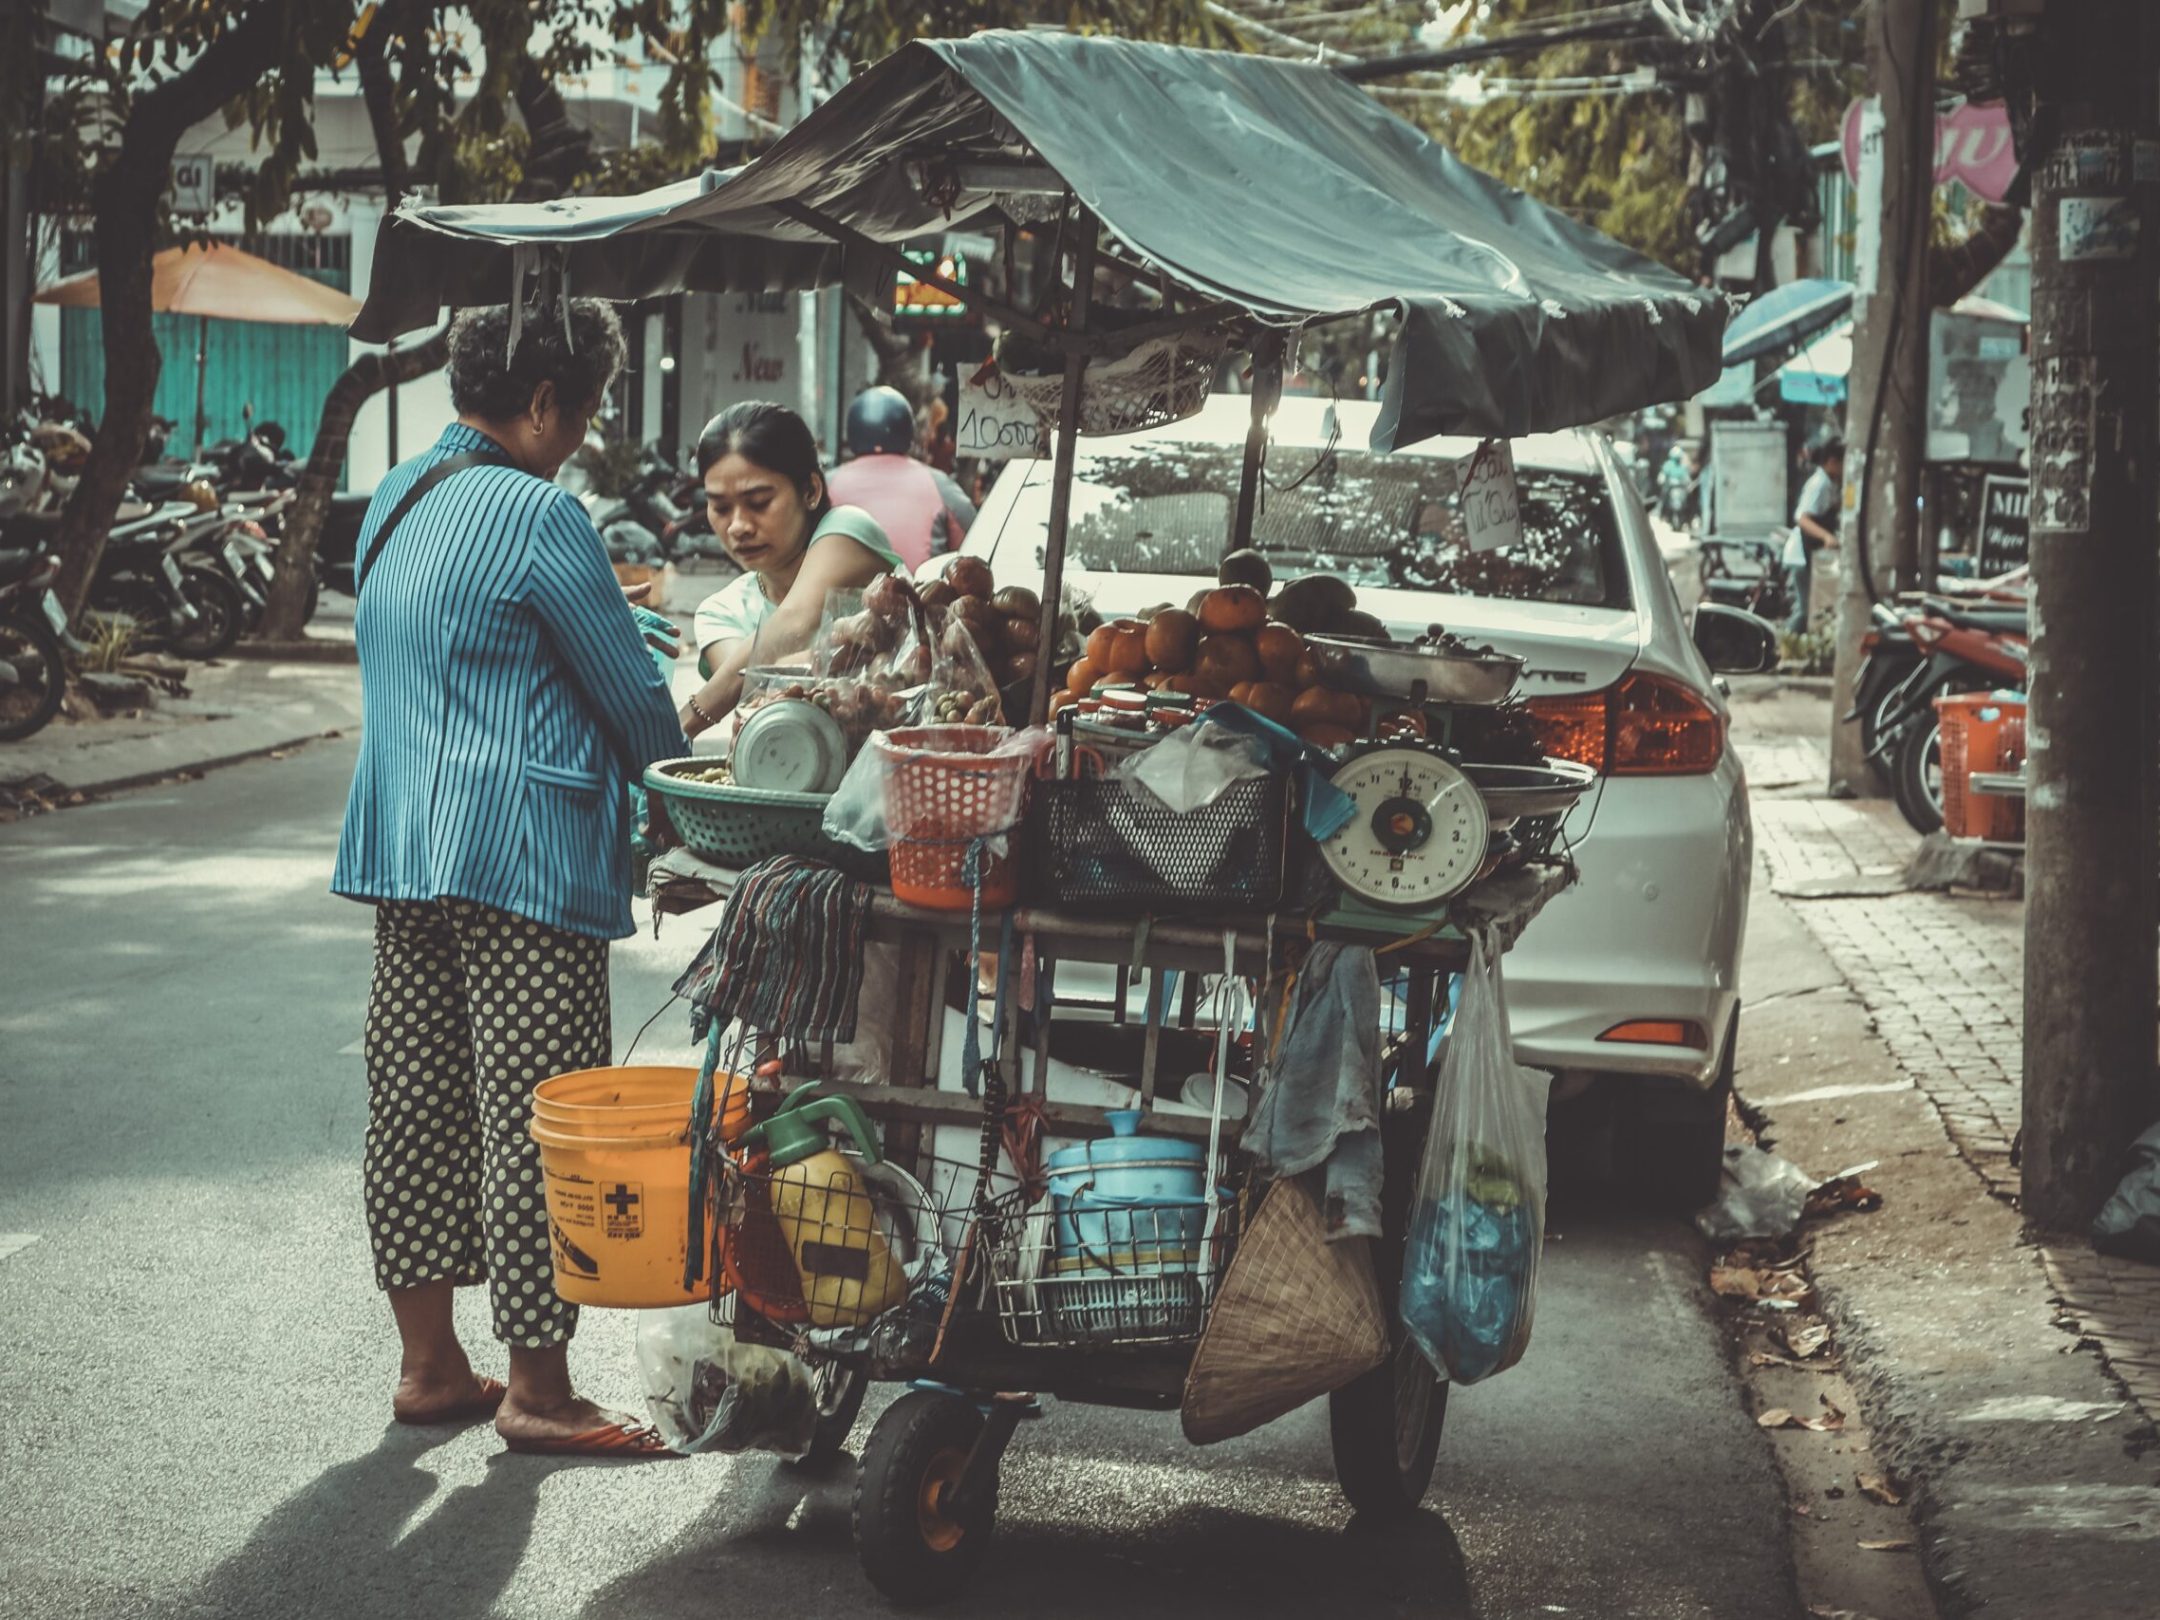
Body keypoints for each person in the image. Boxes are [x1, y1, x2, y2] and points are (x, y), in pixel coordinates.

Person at [332, 299, 687, 1457]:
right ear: (543, 404)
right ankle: (539, 1389)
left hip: (406, 849)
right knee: (538, 1120)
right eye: (580, 413)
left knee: (419, 1105)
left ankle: (430, 1367)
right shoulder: (542, 514)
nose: (580, 436)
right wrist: (689, 794)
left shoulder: (398, 495)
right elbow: (634, 700)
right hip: (521, 855)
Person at [680, 401, 903, 737]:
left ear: (810, 491)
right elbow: (758, 694)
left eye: (758, 503)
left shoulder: (848, 529)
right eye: (721, 507)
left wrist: (682, 724)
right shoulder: (721, 612)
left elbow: (796, 620)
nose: (738, 526)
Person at [824, 385, 977, 571]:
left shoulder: (827, 484)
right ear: (908, 431)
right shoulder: (939, 484)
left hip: (837, 597)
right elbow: (976, 539)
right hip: (919, 596)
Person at [1785, 436, 1845, 634]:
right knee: (1805, 609)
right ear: (1832, 462)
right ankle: (1783, 645)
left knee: (1811, 607)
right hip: (1800, 554)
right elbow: (1802, 519)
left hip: (1810, 553)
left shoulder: (1831, 483)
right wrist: (1826, 537)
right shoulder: (1819, 484)